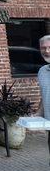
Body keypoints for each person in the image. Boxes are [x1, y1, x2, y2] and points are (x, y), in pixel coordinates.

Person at [36, 34, 50, 163]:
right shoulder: (42, 71)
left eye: (49, 47)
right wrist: (38, 115)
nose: (46, 51)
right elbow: (45, 94)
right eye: (43, 48)